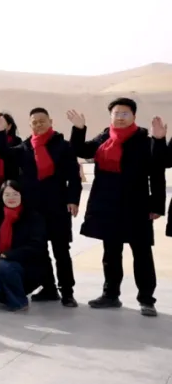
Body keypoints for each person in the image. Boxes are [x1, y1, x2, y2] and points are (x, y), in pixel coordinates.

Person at [67, 99, 166, 316]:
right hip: (107, 205)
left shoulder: (143, 140)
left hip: (136, 206)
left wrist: (159, 140)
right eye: (116, 113)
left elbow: (158, 170)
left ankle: (147, 299)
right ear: (110, 116)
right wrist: (79, 129)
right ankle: (110, 294)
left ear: (134, 116)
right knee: (111, 253)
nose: (120, 117)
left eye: (125, 113)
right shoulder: (105, 137)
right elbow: (81, 150)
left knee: (142, 253)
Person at [0, 108, 82, 307]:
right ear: (30, 125)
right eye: (34, 122)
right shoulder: (25, 147)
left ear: (50, 121)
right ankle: (49, 288)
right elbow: (4, 153)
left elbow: (73, 176)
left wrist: (73, 199)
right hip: (33, 209)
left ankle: (67, 292)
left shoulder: (62, 146)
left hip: (57, 207)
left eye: (42, 121)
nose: (38, 125)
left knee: (61, 250)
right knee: (40, 250)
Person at [0, 181, 49, 313]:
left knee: (4, 265)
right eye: (7, 195)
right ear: (1, 197)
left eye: (15, 194)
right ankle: (14, 295)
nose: (11, 198)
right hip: (1, 269)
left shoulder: (33, 216)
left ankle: (19, 303)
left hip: (27, 269)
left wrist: (9, 255)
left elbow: (37, 246)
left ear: (22, 195)